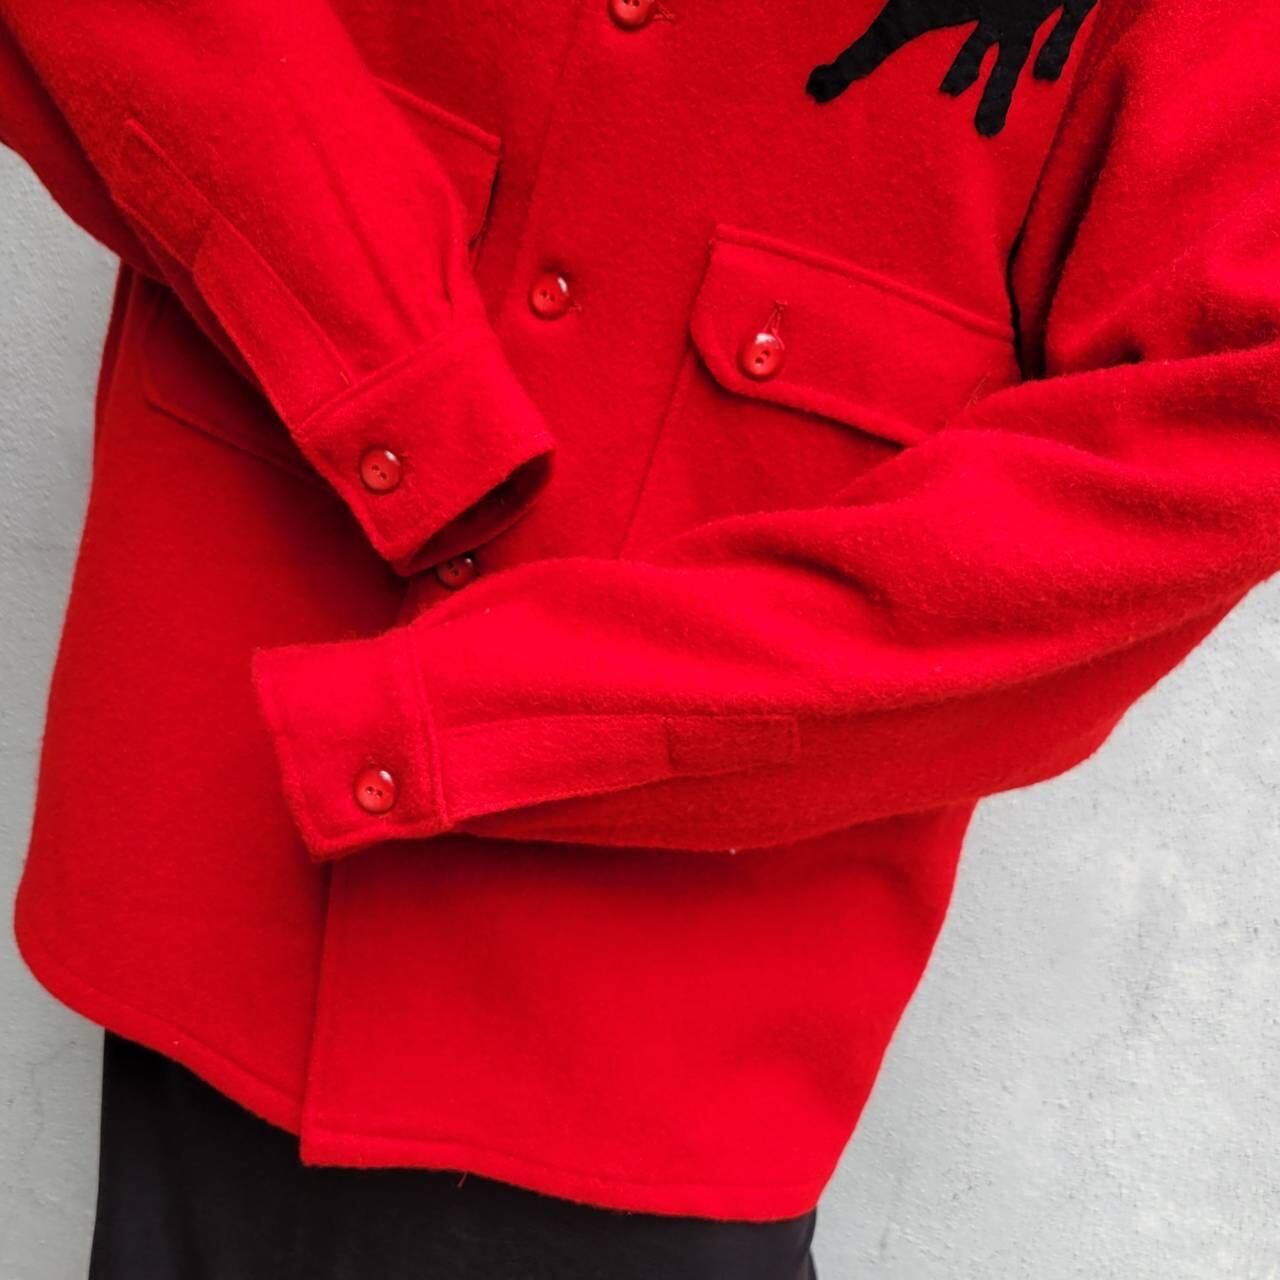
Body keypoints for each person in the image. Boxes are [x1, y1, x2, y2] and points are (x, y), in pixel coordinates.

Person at [2, 0, 1277, 1274]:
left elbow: (1219, 415)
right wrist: (375, 357)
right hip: (225, 820)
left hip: (672, 1004)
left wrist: (564, 708)